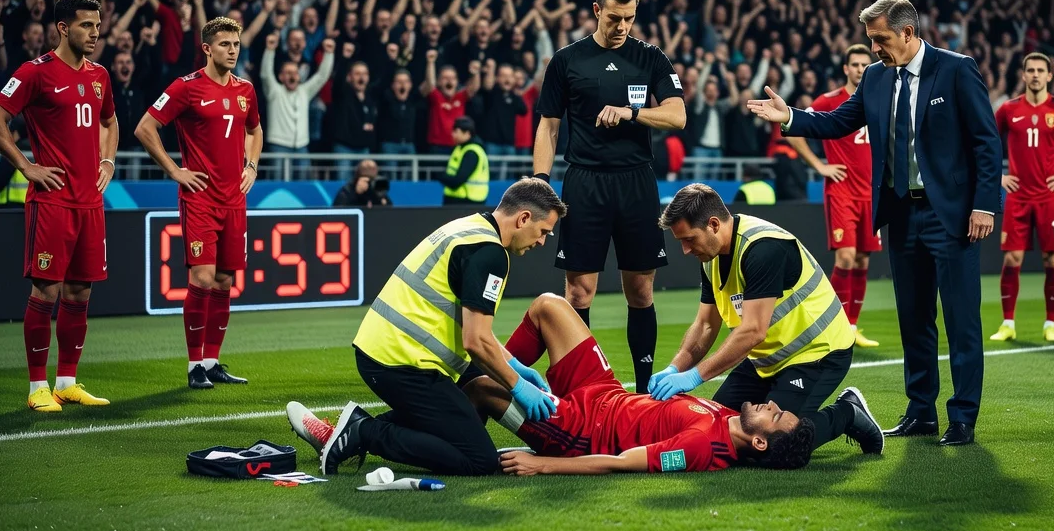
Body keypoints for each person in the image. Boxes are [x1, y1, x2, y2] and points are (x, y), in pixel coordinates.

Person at [747, 0, 1001, 447]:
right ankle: (920, 411)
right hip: (901, 213)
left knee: (961, 319)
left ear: (908, 32)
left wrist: (985, 204)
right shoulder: (877, 79)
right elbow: (838, 122)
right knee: (913, 317)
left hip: (954, 216)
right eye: (870, 40)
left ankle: (962, 416)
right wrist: (790, 117)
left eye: (880, 39)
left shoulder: (957, 69)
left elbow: (986, 141)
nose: (875, 49)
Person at [289, 294, 880, 474]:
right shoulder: (729, 417)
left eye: (772, 417)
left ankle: (363, 433)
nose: (770, 406)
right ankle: (480, 385)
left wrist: (547, 465)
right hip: (606, 390)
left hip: (577, 429)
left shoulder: (705, 449)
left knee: (477, 388)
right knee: (550, 305)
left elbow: (623, 462)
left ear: (755, 442)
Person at [302, 178, 566, 477]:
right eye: (544, 232)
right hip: (400, 362)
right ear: (524, 218)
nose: (543, 242)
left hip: (388, 349)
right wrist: (517, 386)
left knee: (470, 414)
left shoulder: (470, 227)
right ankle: (364, 432)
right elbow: (475, 341)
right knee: (479, 461)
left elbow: (475, 330)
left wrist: (515, 365)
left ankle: (350, 428)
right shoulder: (491, 253)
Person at [533, 0, 686, 393]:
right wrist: (541, 183)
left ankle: (642, 391)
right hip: (584, 182)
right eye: (615, 18)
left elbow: (677, 116)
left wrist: (630, 113)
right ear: (597, 11)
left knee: (640, 290)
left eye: (630, 19)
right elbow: (548, 127)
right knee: (578, 292)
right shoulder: (567, 60)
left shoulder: (651, 57)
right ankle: (582, 391)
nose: (622, 28)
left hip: (636, 181)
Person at [650, 184, 884, 456]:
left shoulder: (763, 248)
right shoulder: (710, 259)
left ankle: (848, 413)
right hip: (766, 359)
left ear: (713, 224)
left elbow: (752, 331)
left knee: (772, 447)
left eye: (689, 239)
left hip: (817, 355)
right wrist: (675, 369)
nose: (685, 251)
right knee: (721, 430)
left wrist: (694, 376)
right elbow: (705, 325)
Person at [0, 0, 118, 412]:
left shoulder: (100, 76)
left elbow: (109, 122)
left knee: (79, 293)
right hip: (53, 202)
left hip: (89, 203)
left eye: (97, 25)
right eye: (86, 26)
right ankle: (37, 386)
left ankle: (67, 382)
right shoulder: (35, 72)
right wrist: (26, 166)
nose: (95, 33)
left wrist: (108, 161)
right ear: (63, 27)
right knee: (47, 290)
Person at [135, 16, 264, 389]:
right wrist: (175, 170)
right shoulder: (186, 87)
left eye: (236, 44)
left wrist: (251, 166)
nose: (232, 51)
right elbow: (145, 127)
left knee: (224, 280)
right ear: (207, 48)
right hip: (200, 199)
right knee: (203, 278)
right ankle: (194, 365)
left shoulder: (246, 90)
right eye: (225, 44)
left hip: (234, 199)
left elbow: (255, 130)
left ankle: (212, 361)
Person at [991, 53, 1054, 343]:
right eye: (1031, 70)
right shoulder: (1008, 110)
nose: (1036, 75)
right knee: (1012, 258)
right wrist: (997, 177)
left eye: (1041, 70)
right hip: (1018, 196)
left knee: (1052, 259)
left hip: (1049, 198)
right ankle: (1008, 323)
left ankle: (1051, 324)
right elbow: (984, 143)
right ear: (1023, 75)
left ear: (1049, 76)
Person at [787, 44, 882, 347]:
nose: (860, 69)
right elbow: (794, 128)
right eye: (854, 64)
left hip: (872, 193)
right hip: (842, 191)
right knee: (846, 256)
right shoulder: (828, 101)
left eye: (865, 64)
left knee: (863, 261)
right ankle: (837, 327)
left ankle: (853, 327)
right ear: (845, 69)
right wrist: (819, 166)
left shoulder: (878, 98)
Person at [260, 31, 335, 177]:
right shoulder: (274, 91)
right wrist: (269, 50)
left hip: (301, 147)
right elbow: (265, 74)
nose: (292, 76)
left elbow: (322, 76)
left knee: (301, 188)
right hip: (278, 146)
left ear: (299, 76)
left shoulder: (304, 91)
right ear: (281, 77)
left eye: (294, 73)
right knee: (277, 186)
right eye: (287, 73)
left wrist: (329, 54)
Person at [438, 116, 488, 205]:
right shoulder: (460, 148)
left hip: (466, 202)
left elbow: (458, 180)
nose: (453, 135)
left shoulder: (471, 152)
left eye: (456, 132)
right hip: (458, 199)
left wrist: (440, 176)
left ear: (467, 133)